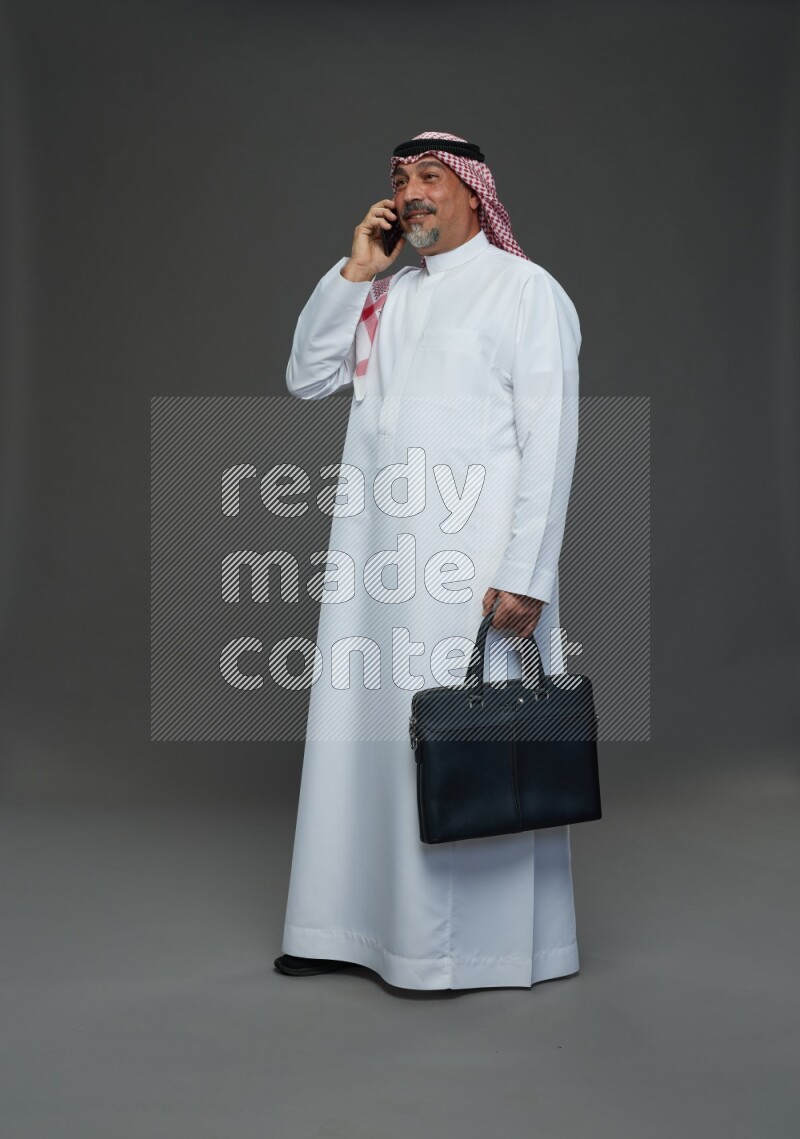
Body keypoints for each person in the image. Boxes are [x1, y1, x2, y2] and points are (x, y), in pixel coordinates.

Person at [274, 131, 582, 990]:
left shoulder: (526, 292)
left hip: (471, 566)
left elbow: (550, 439)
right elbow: (307, 376)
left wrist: (529, 573)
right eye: (401, 180)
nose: (412, 194)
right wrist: (355, 273)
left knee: (465, 737)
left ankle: (460, 951)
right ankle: (345, 928)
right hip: (376, 565)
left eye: (431, 179)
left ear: (475, 195)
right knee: (366, 738)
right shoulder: (388, 294)